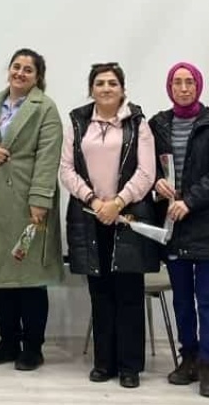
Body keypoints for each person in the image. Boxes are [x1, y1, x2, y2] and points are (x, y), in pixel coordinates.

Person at [0, 48, 63, 372]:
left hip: (26, 203)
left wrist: (39, 200)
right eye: (16, 67)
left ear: (38, 77)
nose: (20, 73)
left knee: (30, 278)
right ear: (8, 70)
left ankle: (33, 347)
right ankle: (8, 342)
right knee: (1, 276)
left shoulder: (44, 108)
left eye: (28, 70)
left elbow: (49, 157)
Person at [59, 62, 158, 389]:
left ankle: (129, 366)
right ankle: (104, 363)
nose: (106, 88)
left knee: (128, 294)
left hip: (128, 218)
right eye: (99, 83)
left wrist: (117, 203)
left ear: (122, 88)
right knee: (99, 294)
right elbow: (66, 169)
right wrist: (94, 201)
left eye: (112, 83)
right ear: (91, 89)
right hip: (89, 218)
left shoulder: (138, 123)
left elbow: (147, 172)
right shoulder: (76, 121)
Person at [148, 62, 209, 398]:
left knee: (208, 301)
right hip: (173, 225)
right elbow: (147, 166)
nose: (183, 88)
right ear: (169, 87)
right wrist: (157, 186)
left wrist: (190, 200)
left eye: (189, 82)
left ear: (199, 86)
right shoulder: (158, 124)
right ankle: (188, 358)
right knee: (182, 300)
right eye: (177, 83)